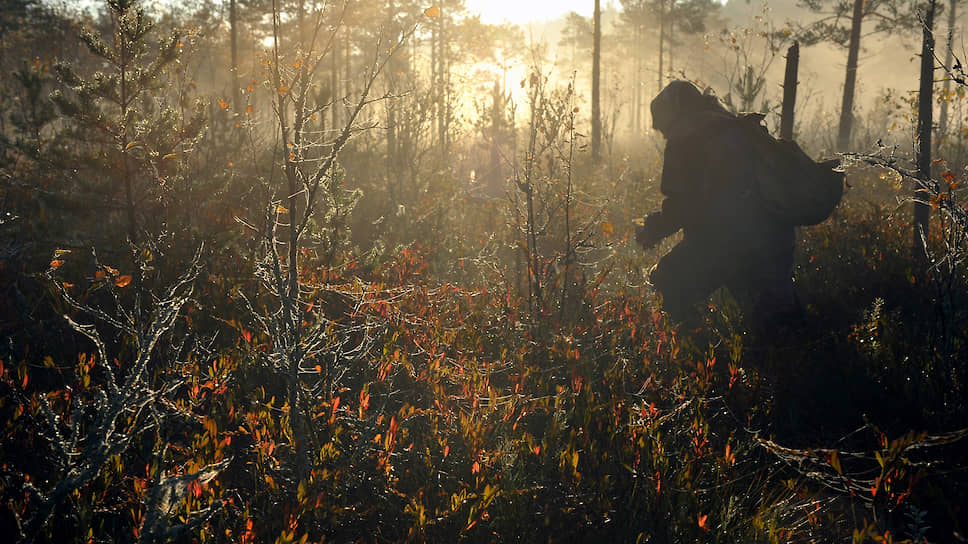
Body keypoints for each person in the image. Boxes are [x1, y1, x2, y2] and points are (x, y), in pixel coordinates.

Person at [636, 80, 799, 329]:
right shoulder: (735, 125)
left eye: (663, 126)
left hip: (725, 242)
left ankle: (692, 351)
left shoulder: (685, 138)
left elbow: (683, 204)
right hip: (776, 235)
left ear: (671, 116)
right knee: (779, 318)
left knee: (666, 282)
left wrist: (652, 230)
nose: (664, 133)